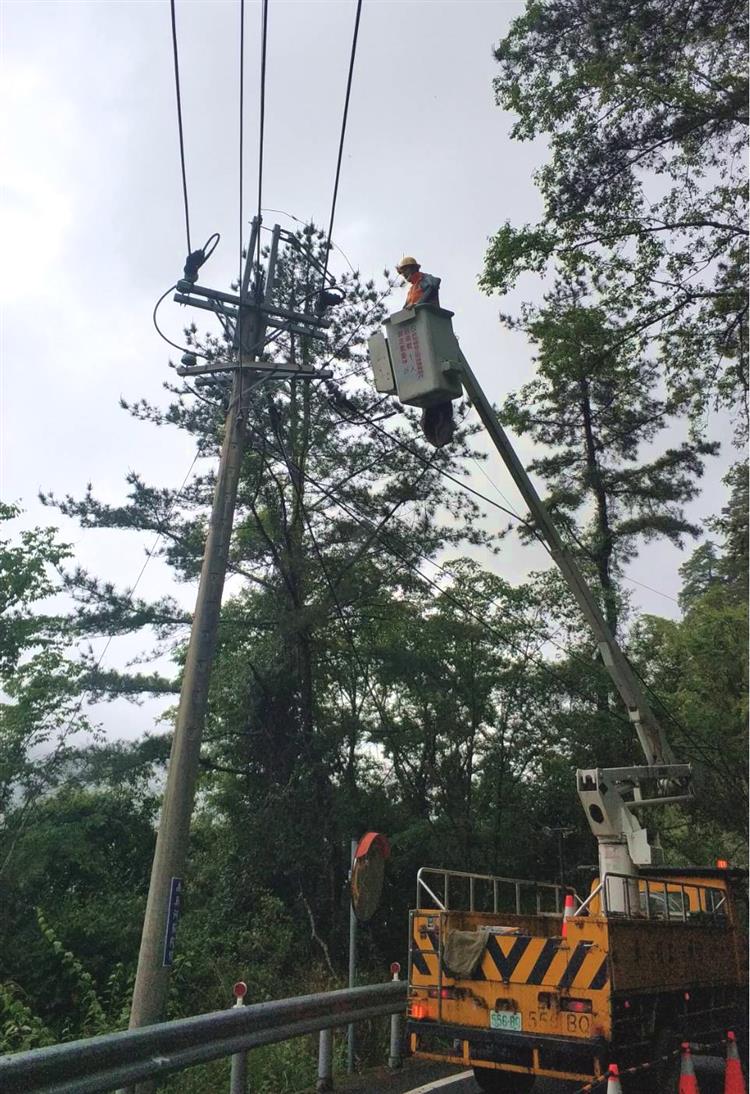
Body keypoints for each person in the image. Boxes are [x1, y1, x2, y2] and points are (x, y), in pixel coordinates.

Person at [395, 255, 454, 448]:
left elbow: (434, 284)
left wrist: (419, 305)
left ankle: (443, 421)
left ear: (413, 269)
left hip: (429, 324)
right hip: (417, 330)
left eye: (405, 271)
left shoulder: (425, 279)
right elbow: (407, 306)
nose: (404, 276)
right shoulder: (411, 289)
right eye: (402, 273)